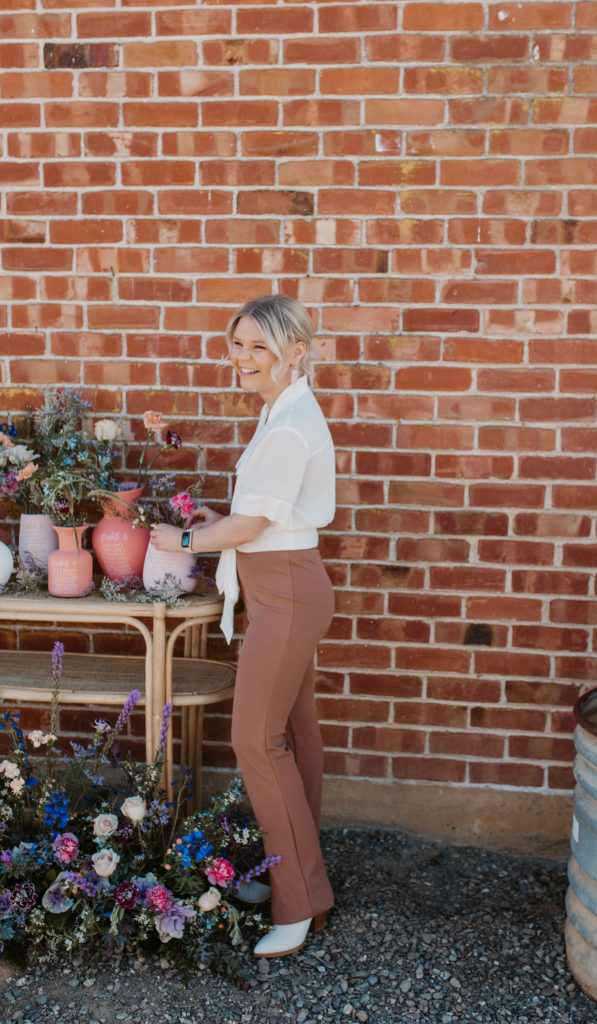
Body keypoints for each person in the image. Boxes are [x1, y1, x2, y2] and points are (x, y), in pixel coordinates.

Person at [149, 294, 336, 958]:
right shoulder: (281, 413)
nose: (243, 358)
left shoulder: (286, 425)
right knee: (290, 733)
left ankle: (298, 901)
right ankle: (302, 875)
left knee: (255, 739)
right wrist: (214, 527)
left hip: (283, 589)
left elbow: (253, 525)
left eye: (259, 346)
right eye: (236, 344)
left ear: (296, 351)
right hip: (283, 584)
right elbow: (258, 517)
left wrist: (183, 538)